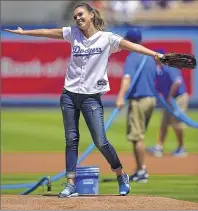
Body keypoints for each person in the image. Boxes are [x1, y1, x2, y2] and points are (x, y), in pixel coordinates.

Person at [5, 3, 163, 197]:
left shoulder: (107, 39)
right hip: (69, 94)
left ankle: (121, 174)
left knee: (100, 141)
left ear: (91, 15)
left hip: (91, 98)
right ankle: (70, 184)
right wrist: (25, 33)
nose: (77, 19)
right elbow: (47, 32)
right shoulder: (73, 33)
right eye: (75, 17)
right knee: (71, 140)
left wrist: (155, 54)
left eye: (80, 15)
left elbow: (133, 46)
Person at [116, 28, 157, 183]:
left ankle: (142, 171)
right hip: (151, 100)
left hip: (139, 100)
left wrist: (120, 96)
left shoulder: (133, 57)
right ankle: (140, 169)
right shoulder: (149, 57)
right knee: (140, 135)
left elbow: (127, 78)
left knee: (136, 137)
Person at [147, 49, 189, 158]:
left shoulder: (169, 66)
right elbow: (157, 86)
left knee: (176, 123)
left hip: (179, 98)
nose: (154, 59)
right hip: (169, 100)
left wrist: (169, 96)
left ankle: (181, 148)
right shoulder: (159, 70)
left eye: (155, 56)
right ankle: (159, 147)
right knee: (164, 122)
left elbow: (177, 82)